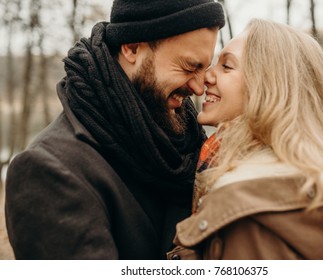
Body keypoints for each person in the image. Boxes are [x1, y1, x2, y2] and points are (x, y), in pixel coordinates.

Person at [5, 0, 225, 260]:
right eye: (189, 67)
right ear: (132, 48)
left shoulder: (186, 147)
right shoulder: (49, 171)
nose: (199, 89)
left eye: (204, 68)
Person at [167, 18, 323, 260]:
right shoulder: (312, 179)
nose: (206, 77)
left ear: (269, 86)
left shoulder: (251, 205)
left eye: (227, 66)